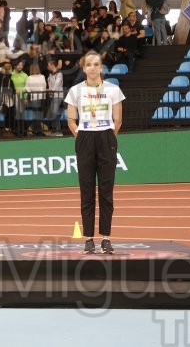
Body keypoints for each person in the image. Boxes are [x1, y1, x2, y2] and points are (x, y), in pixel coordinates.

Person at [65, 51, 124, 255]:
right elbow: (71, 120)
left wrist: (109, 136)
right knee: (87, 190)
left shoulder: (113, 89)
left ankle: (106, 237)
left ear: (101, 67)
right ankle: (88, 238)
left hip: (106, 137)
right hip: (85, 139)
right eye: (88, 64)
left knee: (106, 191)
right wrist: (80, 135)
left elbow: (118, 120)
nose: (92, 68)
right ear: (83, 68)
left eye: (96, 64)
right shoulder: (75, 91)